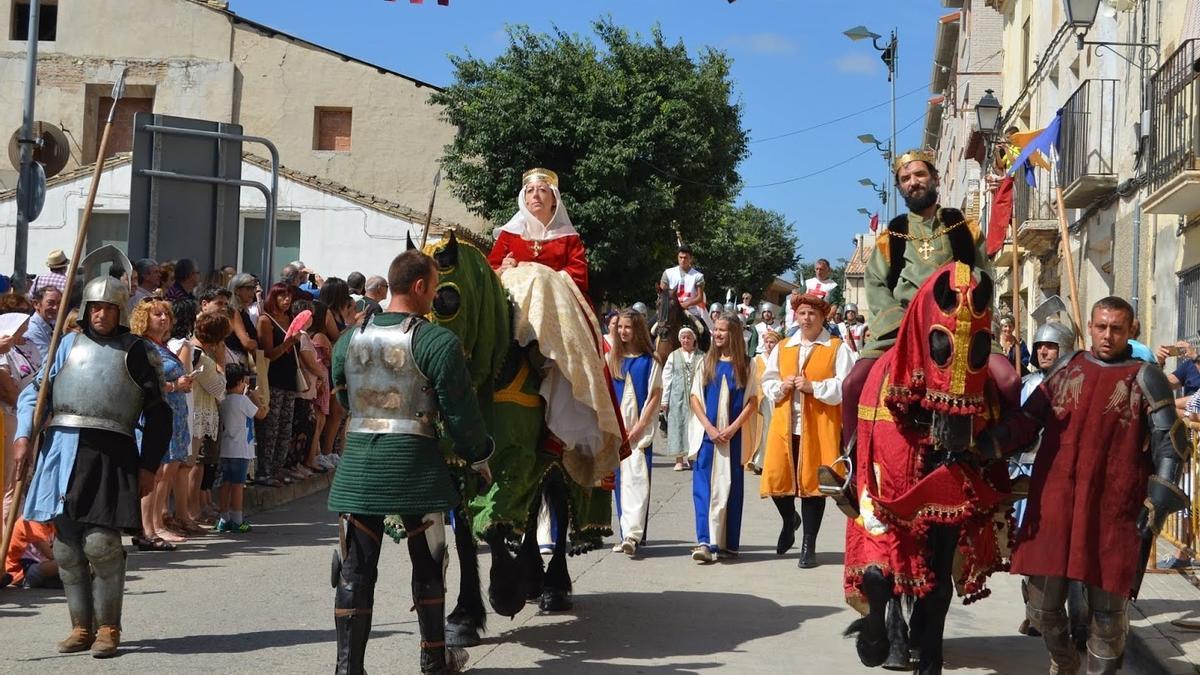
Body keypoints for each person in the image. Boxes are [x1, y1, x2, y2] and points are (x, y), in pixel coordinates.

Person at [978, 297, 1189, 674]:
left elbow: (1170, 444)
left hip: (1114, 505)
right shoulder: (1067, 367)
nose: (1108, 335)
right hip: (1056, 499)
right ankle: (1065, 661)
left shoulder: (1146, 376)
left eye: (1117, 329)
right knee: (1041, 608)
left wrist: (1157, 499)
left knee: (1107, 617)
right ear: (1090, 327)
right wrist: (988, 445)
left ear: (1130, 330)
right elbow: (1029, 420)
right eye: (1101, 327)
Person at [328, 249, 493, 674]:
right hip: (414, 463)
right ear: (419, 287)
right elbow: (459, 412)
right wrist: (479, 455)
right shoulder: (437, 341)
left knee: (355, 568)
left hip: (360, 464)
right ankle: (434, 660)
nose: (436, 297)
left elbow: (343, 394)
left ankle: (348, 668)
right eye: (434, 288)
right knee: (429, 560)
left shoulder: (349, 338)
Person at [12, 270, 171, 658]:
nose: (101, 314)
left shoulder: (137, 351)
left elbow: (159, 415)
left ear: (119, 311)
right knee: (66, 547)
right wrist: (22, 435)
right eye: (95, 307)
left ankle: (108, 628)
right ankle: (80, 626)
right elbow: (38, 393)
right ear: (85, 310)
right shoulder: (66, 344)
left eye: (108, 308)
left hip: (111, 454)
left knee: (101, 544)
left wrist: (149, 466)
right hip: (63, 451)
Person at [841, 149, 1011, 449]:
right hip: (902, 327)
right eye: (905, 178)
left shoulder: (964, 229)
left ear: (935, 178)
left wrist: (966, 297)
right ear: (900, 188)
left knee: (1009, 381)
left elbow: (984, 275)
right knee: (852, 384)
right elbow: (876, 283)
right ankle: (849, 464)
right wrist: (899, 321)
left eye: (919, 174)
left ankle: (1005, 452)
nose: (913, 182)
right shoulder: (891, 236)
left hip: (961, 326)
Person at [760, 294, 854, 569]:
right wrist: (782, 387)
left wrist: (815, 387)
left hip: (819, 425)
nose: (807, 318)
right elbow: (768, 381)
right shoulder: (784, 346)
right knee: (778, 480)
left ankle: (808, 544)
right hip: (785, 426)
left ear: (823, 317)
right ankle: (790, 520)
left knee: (814, 488)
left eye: (812, 314)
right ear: (795, 316)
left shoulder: (836, 347)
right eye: (802, 313)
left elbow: (846, 385)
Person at [1008, 320, 1084, 642]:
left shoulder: (1079, 385)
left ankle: (1079, 623)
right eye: (1039, 345)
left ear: (1065, 348)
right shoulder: (1025, 384)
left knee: (1073, 555)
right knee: (1029, 551)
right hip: (1026, 475)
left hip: (1066, 477)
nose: (1043, 350)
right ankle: (1036, 614)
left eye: (1050, 346)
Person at [686, 313, 759, 563]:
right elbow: (695, 397)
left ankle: (727, 543)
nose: (716, 334)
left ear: (734, 334)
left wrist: (733, 428)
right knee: (704, 488)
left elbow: (752, 401)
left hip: (733, 437)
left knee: (730, 488)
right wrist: (709, 428)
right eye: (715, 329)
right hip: (708, 436)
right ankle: (704, 541)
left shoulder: (748, 365)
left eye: (721, 330)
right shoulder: (706, 362)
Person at [130, 299, 193, 548]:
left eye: (166, 313)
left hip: (170, 412)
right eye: (157, 314)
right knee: (153, 473)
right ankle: (148, 528)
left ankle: (156, 524)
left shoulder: (161, 346)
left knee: (163, 471)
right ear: (144, 318)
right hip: (152, 413)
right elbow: (142, 382)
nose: (164, 318)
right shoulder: (142, 346)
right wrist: (174, 386)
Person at [608, 309, 662, 557]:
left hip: (639, 431)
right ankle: (625, 532)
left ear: (638, 329)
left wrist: (639, 427)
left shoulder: (649, 361)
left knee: (638, 480)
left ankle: (633, 535)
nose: (622, 331)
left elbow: (654, 396)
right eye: (619, 327)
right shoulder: (614, 359)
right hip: (618, 431)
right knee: (621, 481)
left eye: (627, 327)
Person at [489, 168, 589, 294]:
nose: (535, 195)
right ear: (525, 200)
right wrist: (503, 269)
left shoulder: (568, 237)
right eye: (530, 191)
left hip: (557, 302)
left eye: (542, 190)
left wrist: (542, 274)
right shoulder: (509, 235)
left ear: (554, 199)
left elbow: (579, 275)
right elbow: (490, 272)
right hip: (515, 303)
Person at [257, 283, 302, 486]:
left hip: (289, 380)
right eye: (281, 297)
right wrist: (289, 342)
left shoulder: (291, 319)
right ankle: (265, 472)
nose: (286, 301)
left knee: (285, 427)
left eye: (288, 297)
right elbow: (268, 353)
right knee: (271, 428)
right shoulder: (266, 321)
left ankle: (277, 469)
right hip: (273, 379)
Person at [216, 363, 268, 533]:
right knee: (238, 484)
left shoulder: (224, 400)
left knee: (226, 483)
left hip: (227, 448)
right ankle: (237, 519)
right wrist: (255, 397)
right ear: (240, 382)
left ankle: (224, 518)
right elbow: (261, 414)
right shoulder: (242, 400)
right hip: (241, 449)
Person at [0, 312, 38, 524]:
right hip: (9, 416)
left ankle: (15, 539)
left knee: (19, 481)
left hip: (20, 416)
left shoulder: (21, 348)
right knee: (11, 481)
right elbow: (7, 390)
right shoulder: (4, 354)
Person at [662, 326, 702, 472]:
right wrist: (665, 400)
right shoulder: (673, 356)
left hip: (696, 398)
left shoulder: (702, 356)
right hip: (677, 397)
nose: (686, 340)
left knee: (694, 426)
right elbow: (667, 378)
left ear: (694, 339)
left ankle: (691, 458)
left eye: (688, 337)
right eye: (683, 338)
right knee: (678, 425)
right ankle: (679, 460)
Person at [746, 328, 782, 474]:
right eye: (766, 342)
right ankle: (759, 461)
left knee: (774, 430)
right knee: (762, 430)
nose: (769, 345)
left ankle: (774, 460)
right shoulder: (757, 359)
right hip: (762, 400)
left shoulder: (781, 359)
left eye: (772, 342)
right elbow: (750, 380)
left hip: (776, 398)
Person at [659, 245, 710, 331]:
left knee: (703, 331)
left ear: (691, 259)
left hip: (690, 311)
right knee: (650, 330)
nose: (683, 260)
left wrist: (685, 304)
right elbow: (662, 294)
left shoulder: (698, 276)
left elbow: (699, 298)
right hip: (669, 311)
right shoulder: (668, 273)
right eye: (680, 257)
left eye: (685, 258)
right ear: (677, 257)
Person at [4, 515, 59, 588]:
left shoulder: (50, 522)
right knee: (67, 563)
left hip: (41, 566)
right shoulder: (30, 520)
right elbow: (50, 555)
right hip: (23, 573)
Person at [791, 258, 837, 330]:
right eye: (817, 269)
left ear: (828, 270)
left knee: (836, 338)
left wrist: (826, 318)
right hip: (805, 316)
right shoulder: (808, 282)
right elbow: (797, 296)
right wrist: (795, 293)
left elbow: (834, 306)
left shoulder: (833, 286)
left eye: (821, 269)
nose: (819, 272)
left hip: (821, 318)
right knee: (790, 335)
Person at [225, 273, 259, 367]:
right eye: (249, 288)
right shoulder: (234, 312)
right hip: (236, 363)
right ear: (237, 290)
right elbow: (247, 343)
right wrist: (255, 344)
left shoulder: (242, 312)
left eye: (254, 288)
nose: (253, 292)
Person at [25, 286, 61, 361]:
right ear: (36, 304)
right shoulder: (32, 330)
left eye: (59, 303)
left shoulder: (51, 324)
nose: (56, 307)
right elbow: (46, 361)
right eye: (50, 303)